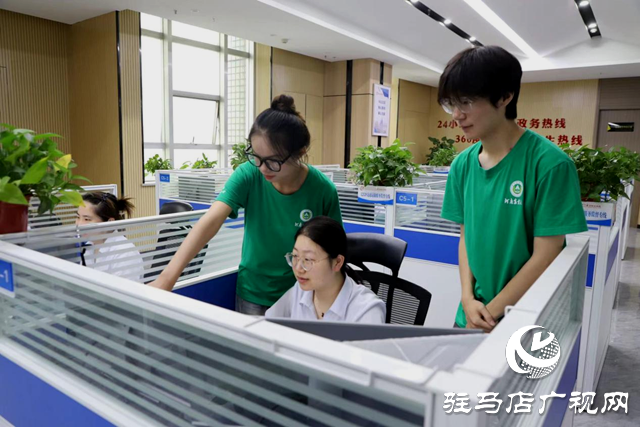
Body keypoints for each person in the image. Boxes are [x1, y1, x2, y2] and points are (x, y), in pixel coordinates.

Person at [149, 95, 343, 316]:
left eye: (273, 161)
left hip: (304, 295)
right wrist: (167, 279)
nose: (263, 168)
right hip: (254, 293)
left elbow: (334, 251)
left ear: (300, 153)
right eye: (256, 157)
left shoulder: (323, 190)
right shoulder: (249, 174)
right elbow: (211, 221)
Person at [439, 46, 587, 332]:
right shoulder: (462, 165)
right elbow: (466, 236)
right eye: (451, 104)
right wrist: (467, 299)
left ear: (505, 97)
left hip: (527, 320)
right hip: (471, 314)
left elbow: (547, 254)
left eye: (466, 102)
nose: (456, 115)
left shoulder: (550, 164)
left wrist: (490, 314)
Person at [266, 216, 385, 323]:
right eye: (295, 256)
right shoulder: (300, 290)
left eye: (308, 259)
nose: (298, 268)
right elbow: (266, 325)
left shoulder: (367, 310)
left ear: (337, 262)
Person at [76, 192, 145, 282]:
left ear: (109, 222)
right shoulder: (89, 246)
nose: (79, 224)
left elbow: (122, 290)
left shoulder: (124, 253)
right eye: (78, 217)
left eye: (87, 219)